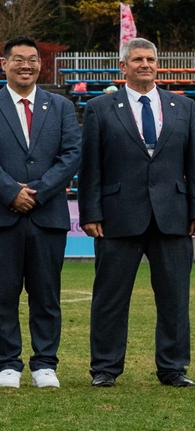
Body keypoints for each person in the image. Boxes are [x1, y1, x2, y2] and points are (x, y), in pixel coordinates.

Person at [0, 37, 82, 389]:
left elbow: (72, 154)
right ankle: (8, 363)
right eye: (18, 59)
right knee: (3, 293)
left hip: (47, 216)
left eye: (32, 59)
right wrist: (12, 192)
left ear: (40, 65)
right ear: (4, 64)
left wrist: (40, 192)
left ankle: (45, 363)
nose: (25, 65)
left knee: (47, 293)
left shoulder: (60, 106)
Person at [79, 37, 195, 388]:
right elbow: (90, 167)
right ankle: (105, 368)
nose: (145, 64)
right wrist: (90, 213)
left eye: (150, 59)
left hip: (173, 215)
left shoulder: (184, 107)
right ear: (123, 67)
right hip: (117, 216)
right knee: (110, 297)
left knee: (175, 297)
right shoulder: (100, 107)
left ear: (158, 65)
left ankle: (173, 368)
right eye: (138, 59)